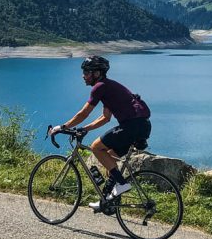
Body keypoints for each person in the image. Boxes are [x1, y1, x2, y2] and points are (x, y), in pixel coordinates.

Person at [51, 56, 152, 211]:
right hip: (141, 125)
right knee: (109, 157)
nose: (83, 75)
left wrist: (62, 127)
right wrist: (85, 129)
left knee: (96, 147)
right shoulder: (108, 87)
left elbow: (84, 113)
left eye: (86, 72)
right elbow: (105, 118)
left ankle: (122, 184)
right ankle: (107, 202)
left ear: (97, 73)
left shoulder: (99, 87)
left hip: (131, 126)